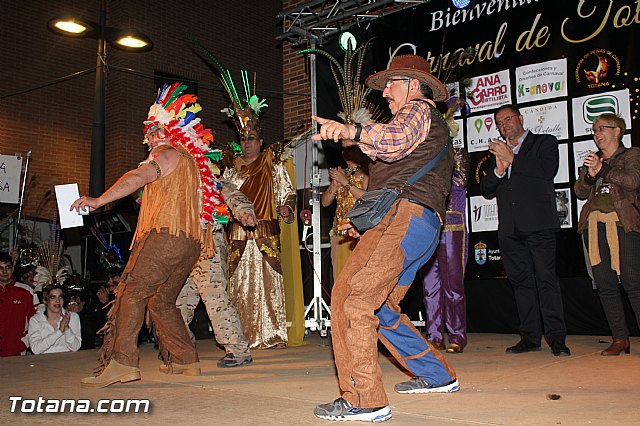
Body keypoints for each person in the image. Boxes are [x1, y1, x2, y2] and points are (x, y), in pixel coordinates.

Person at [311, 54, 458, 422]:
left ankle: (364, 399)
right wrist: (366, 223)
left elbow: (392, 139)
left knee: (351, 298)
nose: (386, 92)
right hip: (417, 226)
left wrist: (351, 131)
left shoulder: (418, 109)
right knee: (383, 307)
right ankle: (438, 376)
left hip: (405, 220)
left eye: (393, 83)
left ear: (414, 84)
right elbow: (394, 164)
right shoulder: (425, 122)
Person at [71, 82, 231, 387]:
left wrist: (98, 200)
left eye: (153, 131)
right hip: (190, 244)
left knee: (132, 291)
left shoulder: (166, 154)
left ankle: (123, 362)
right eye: (149, 132)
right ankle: (186, 360)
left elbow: (139, 175)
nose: (148, 139)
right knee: (162, 302)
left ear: (167, 132)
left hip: (166, 237)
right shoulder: (192, 163)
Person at [480, 104, 570, 357]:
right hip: (510, 229)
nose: (504, 125)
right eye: (499, 122)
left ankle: (557, 339)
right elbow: (486, 189)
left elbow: (546, 172)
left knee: (547, 282)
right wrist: (499, 169)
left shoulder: (544, 143)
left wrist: (513, 159)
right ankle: (530, 337)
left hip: (539, 225)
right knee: (521, 284)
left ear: (520, 118)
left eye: (508, 119)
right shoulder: (498, 153)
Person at [223, 125, 296, 349]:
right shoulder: (231, 169)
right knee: (239, 286)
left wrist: (287, 208)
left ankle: (273, 334)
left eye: (251, 138)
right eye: (243, 139)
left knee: (269, 283)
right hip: (238, 233)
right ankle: (238, 338)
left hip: (266, 230)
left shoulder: (273, 165)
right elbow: (222, 199)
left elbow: (289, 193)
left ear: (261, 142)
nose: (246, 143)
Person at [574, 113, 640, 356]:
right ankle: (620, 338)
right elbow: (580, 191)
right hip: (594, 226)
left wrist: (604, 169)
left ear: (617, 132)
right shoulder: (593, 160)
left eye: (602, 128)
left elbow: (633, 181)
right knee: (605, 284)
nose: (597, 133)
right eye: (594, 130)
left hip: (624, 224)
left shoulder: (631, 154)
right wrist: (590, 174)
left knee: (634, 282)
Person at [175, 179, 256, 368]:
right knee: (178, 301)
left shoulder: (208, 177)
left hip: (208, 243)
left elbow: (233, 195)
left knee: (214, 297)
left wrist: (245, 213)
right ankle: (182, 348)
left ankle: (237, 350)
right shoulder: (173, 179)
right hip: (181, 246)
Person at [421, 147, 470, 353]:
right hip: (430, 226)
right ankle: (434, 336)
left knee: (453, 285)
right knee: (429, 287)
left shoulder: (457, 154)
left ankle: (457, 335)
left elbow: (460, 182)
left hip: (451, 227)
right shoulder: (423, 155)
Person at [321, 146, 369, 280]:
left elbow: (367, 198)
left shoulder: (367, 172)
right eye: (343, 149)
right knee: (340, 278)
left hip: (358, 233)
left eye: (350, 148)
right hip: (340, 236)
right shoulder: (342, 173)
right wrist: (335, 185)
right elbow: (325, 202)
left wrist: (345, 182)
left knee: (358, 278)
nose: (346, 152)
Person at [0, 252, 37, 356]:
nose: (4, 271)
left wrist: (23, 343)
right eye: (0, 268)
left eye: (7, 267)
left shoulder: (26, 291)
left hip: (16, 353)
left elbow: (37, 322)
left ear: (12, 268)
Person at [28, 285, 81, 354]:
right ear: (45, 300)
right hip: (43, 361)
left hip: (68, 360)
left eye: (60, 297)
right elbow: (35, 349)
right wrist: (59, 331)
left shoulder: (73, 317)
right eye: (53, 297)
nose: (57, 301)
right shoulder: (36, 320)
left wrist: (67, 328)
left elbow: (75, 347)